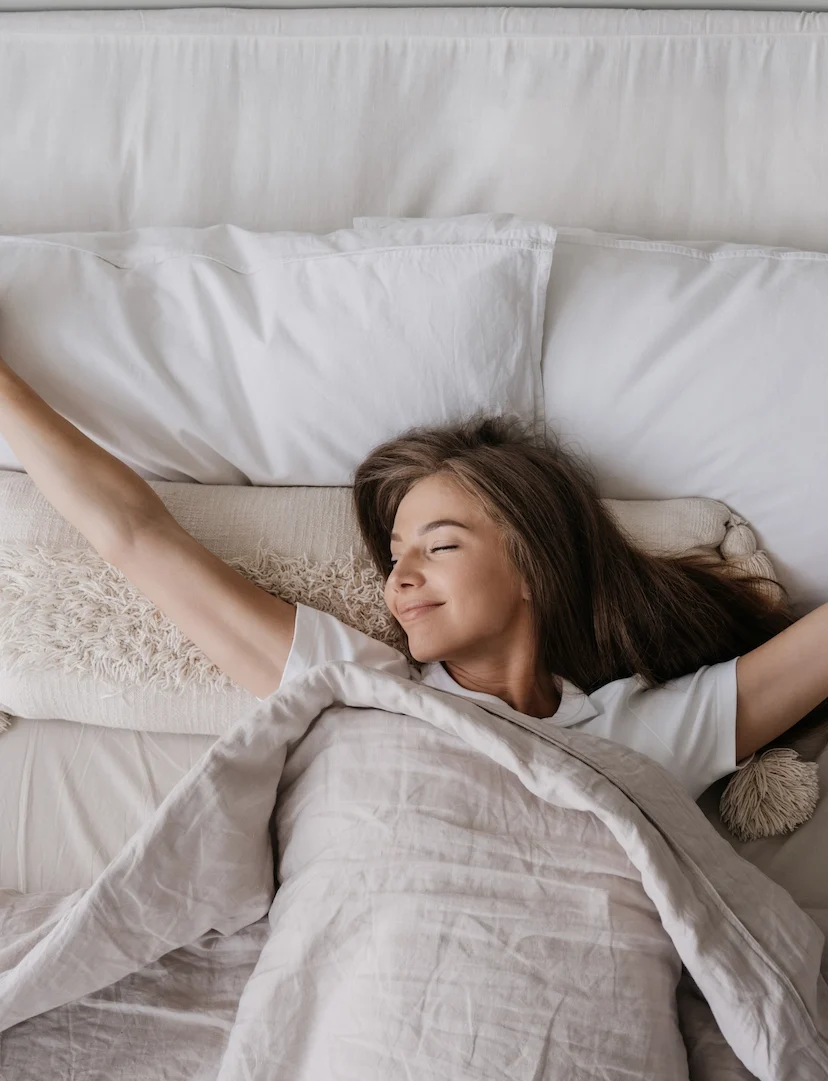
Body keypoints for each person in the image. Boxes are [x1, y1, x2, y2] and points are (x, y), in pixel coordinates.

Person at [1, 353, 827, 802]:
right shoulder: (362, 685)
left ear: (533, 560)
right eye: (395, 555)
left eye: (439, 545)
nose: (401, 580)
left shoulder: (640, 736)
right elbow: (135, 535)